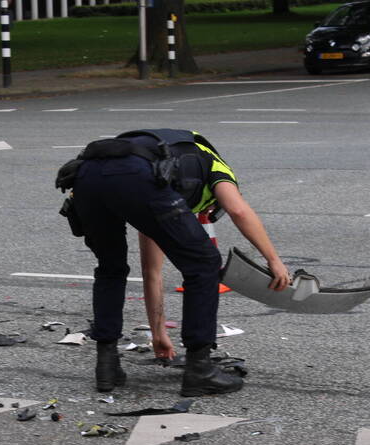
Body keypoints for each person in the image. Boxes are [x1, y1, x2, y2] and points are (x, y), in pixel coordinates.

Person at [66, 128, 291, 397]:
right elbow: (238, 209)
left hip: (85, 176)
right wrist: (274, 260)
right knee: (205, 263)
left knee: (111, 268)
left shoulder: (165, 164)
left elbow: (152, 271)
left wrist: (159, 333)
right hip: (133, 176)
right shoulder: (214, 164)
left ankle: (107, 366)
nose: (204, 213)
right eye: (207, 209)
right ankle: (200, 370)